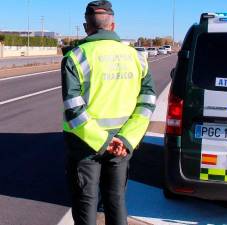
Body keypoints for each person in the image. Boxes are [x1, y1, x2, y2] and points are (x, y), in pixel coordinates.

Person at [61, 1, 156, 224]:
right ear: (113, 26)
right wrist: (126, 138)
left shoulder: (75, 57)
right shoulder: (136, 57)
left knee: (86, 202)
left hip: (84, 143)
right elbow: (147, 102)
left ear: (86, 27)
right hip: (122, 144)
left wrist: (103, 140)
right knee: (116, 199)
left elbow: (74, 109)